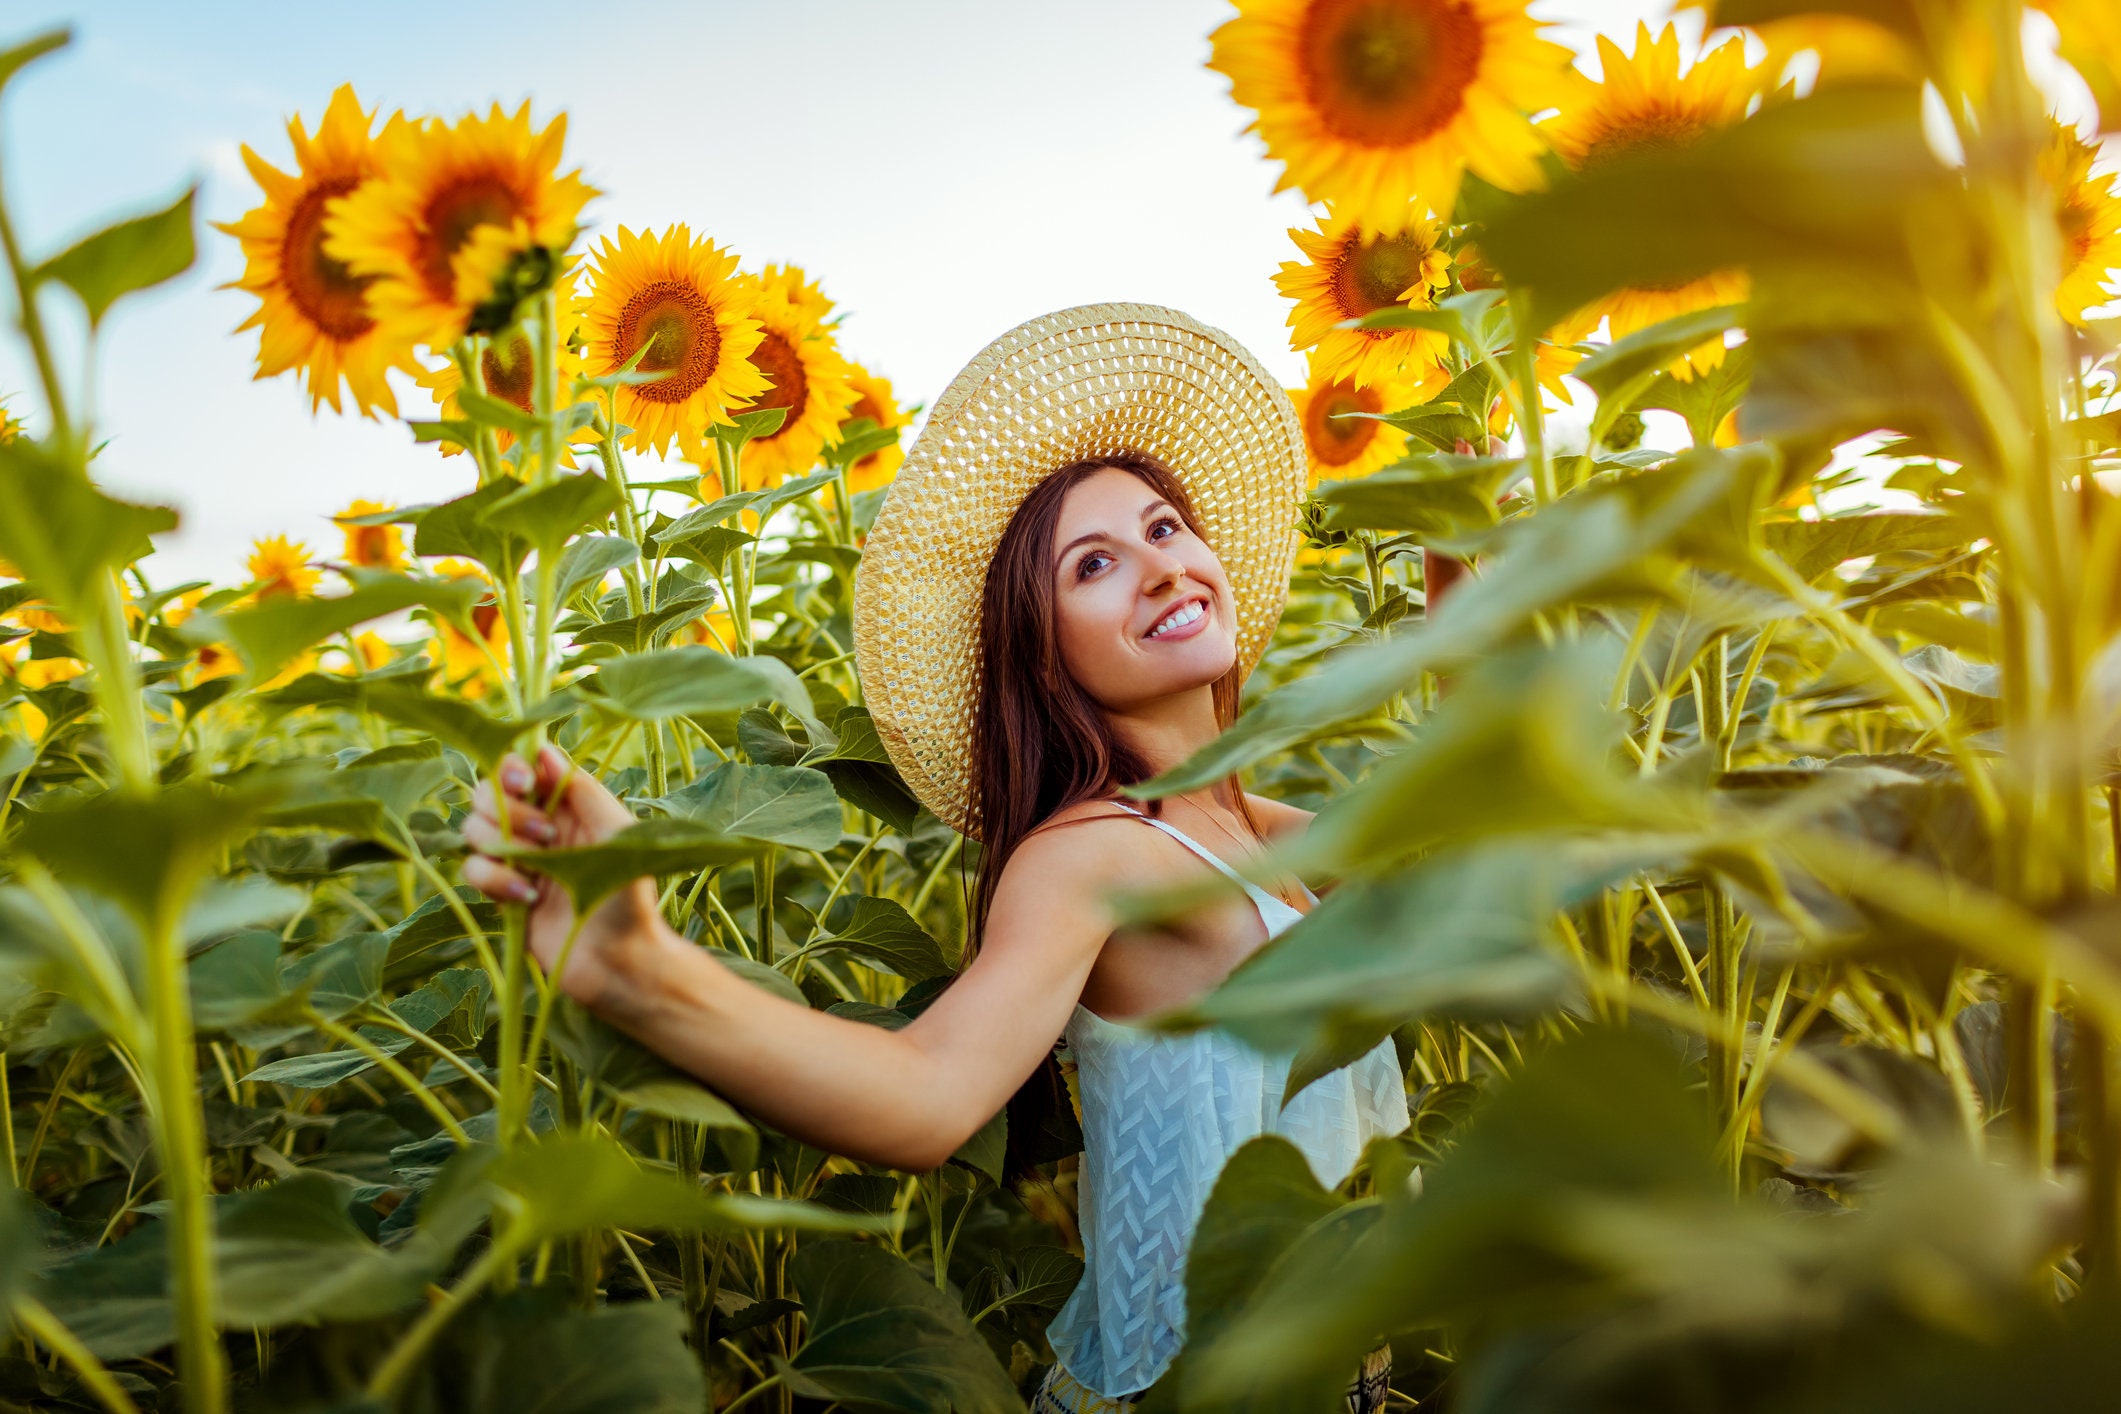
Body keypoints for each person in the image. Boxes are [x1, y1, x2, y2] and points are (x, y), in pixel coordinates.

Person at [462, 304, 1411, 1414]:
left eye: (1164, 529)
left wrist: (1460, 570)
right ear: (1043, 655)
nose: (1159, 570)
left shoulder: (1271, 833)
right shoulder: (1093, 852)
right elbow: (926, 1095)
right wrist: (645, 969)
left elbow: (1504, 843)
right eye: (1093, 564)